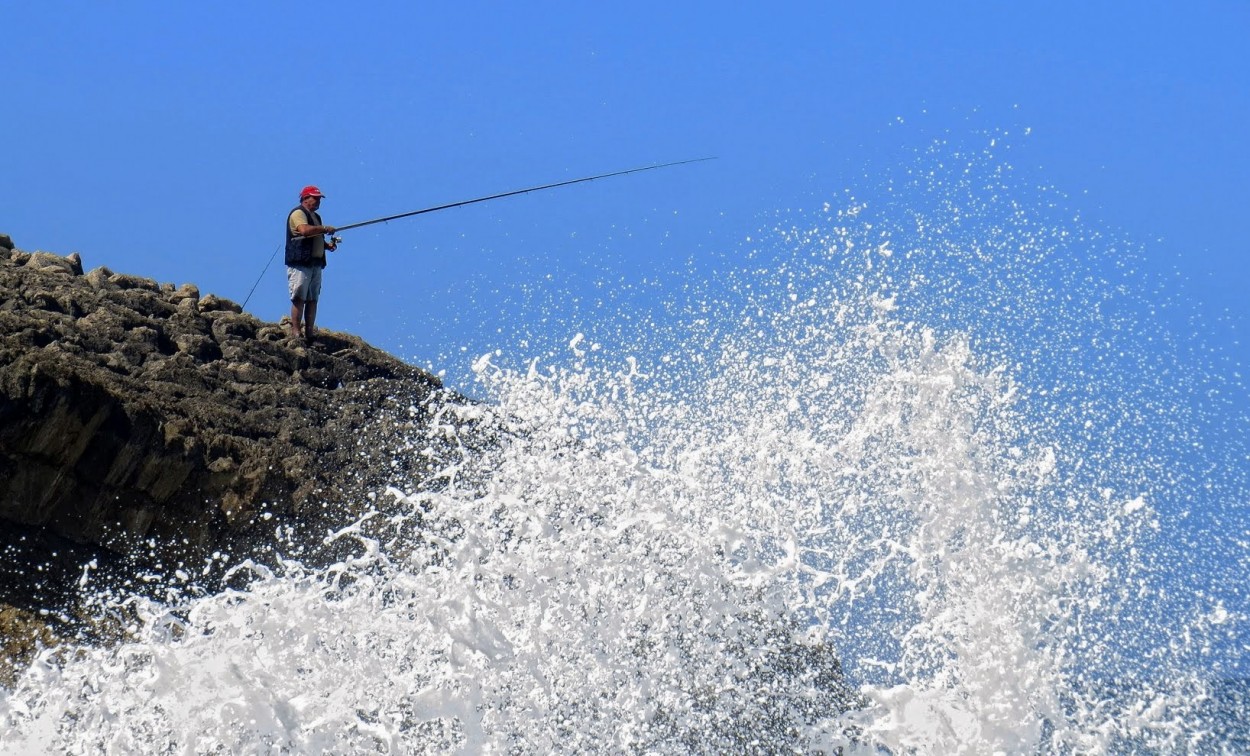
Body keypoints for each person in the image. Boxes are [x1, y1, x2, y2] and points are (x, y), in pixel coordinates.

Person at [285, 185, 337, 340]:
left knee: (313, 299)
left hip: (315, 264)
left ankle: (309, 333)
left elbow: (316, 237)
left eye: (319, 198)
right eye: (315, 198)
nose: (318, 201)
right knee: (299, 297)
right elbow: (304, 231)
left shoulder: (316, 217)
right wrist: (324, 229)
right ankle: (296, 331)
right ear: (305, 198)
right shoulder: (298, 213)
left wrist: (327, 246)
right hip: (301, 263)